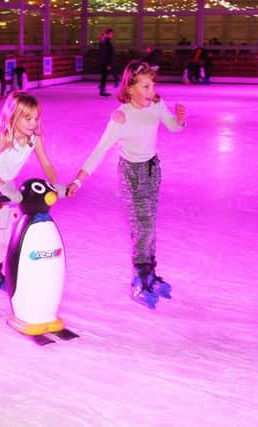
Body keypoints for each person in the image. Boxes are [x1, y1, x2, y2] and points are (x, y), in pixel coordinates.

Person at [67, 60, 186, 310]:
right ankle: (140, 280)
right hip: (131, 175)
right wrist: (79, 179)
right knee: (141, 227)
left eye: (152, 85)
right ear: (130, 87)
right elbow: (100, 150)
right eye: (144, 86)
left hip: (153, 171)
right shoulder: (121, 117)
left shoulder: (157, 105)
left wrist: (180, 119)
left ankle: (150, 272)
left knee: (150, 224)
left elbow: (174, 127)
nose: (151, 91)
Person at [0, 91, 65, 308]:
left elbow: (46, 164)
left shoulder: (33, 139)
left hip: (6, 192)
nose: (33, 123)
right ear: (14, 117)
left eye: (36, 118)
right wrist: (2, 187)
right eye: (27, 118)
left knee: (4, 239)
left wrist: (55, 184)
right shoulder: (4, 138)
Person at [99, 28, 119, 97]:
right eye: (111, 34)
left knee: (104, 75)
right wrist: (108, 64)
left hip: (105, 62)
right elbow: (106, 54)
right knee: (104, 76)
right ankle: (102, 90)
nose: (112, 35)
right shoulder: (106, 42)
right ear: (108, 34)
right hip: (105, 62)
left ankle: (102, 89)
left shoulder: (106, 41)